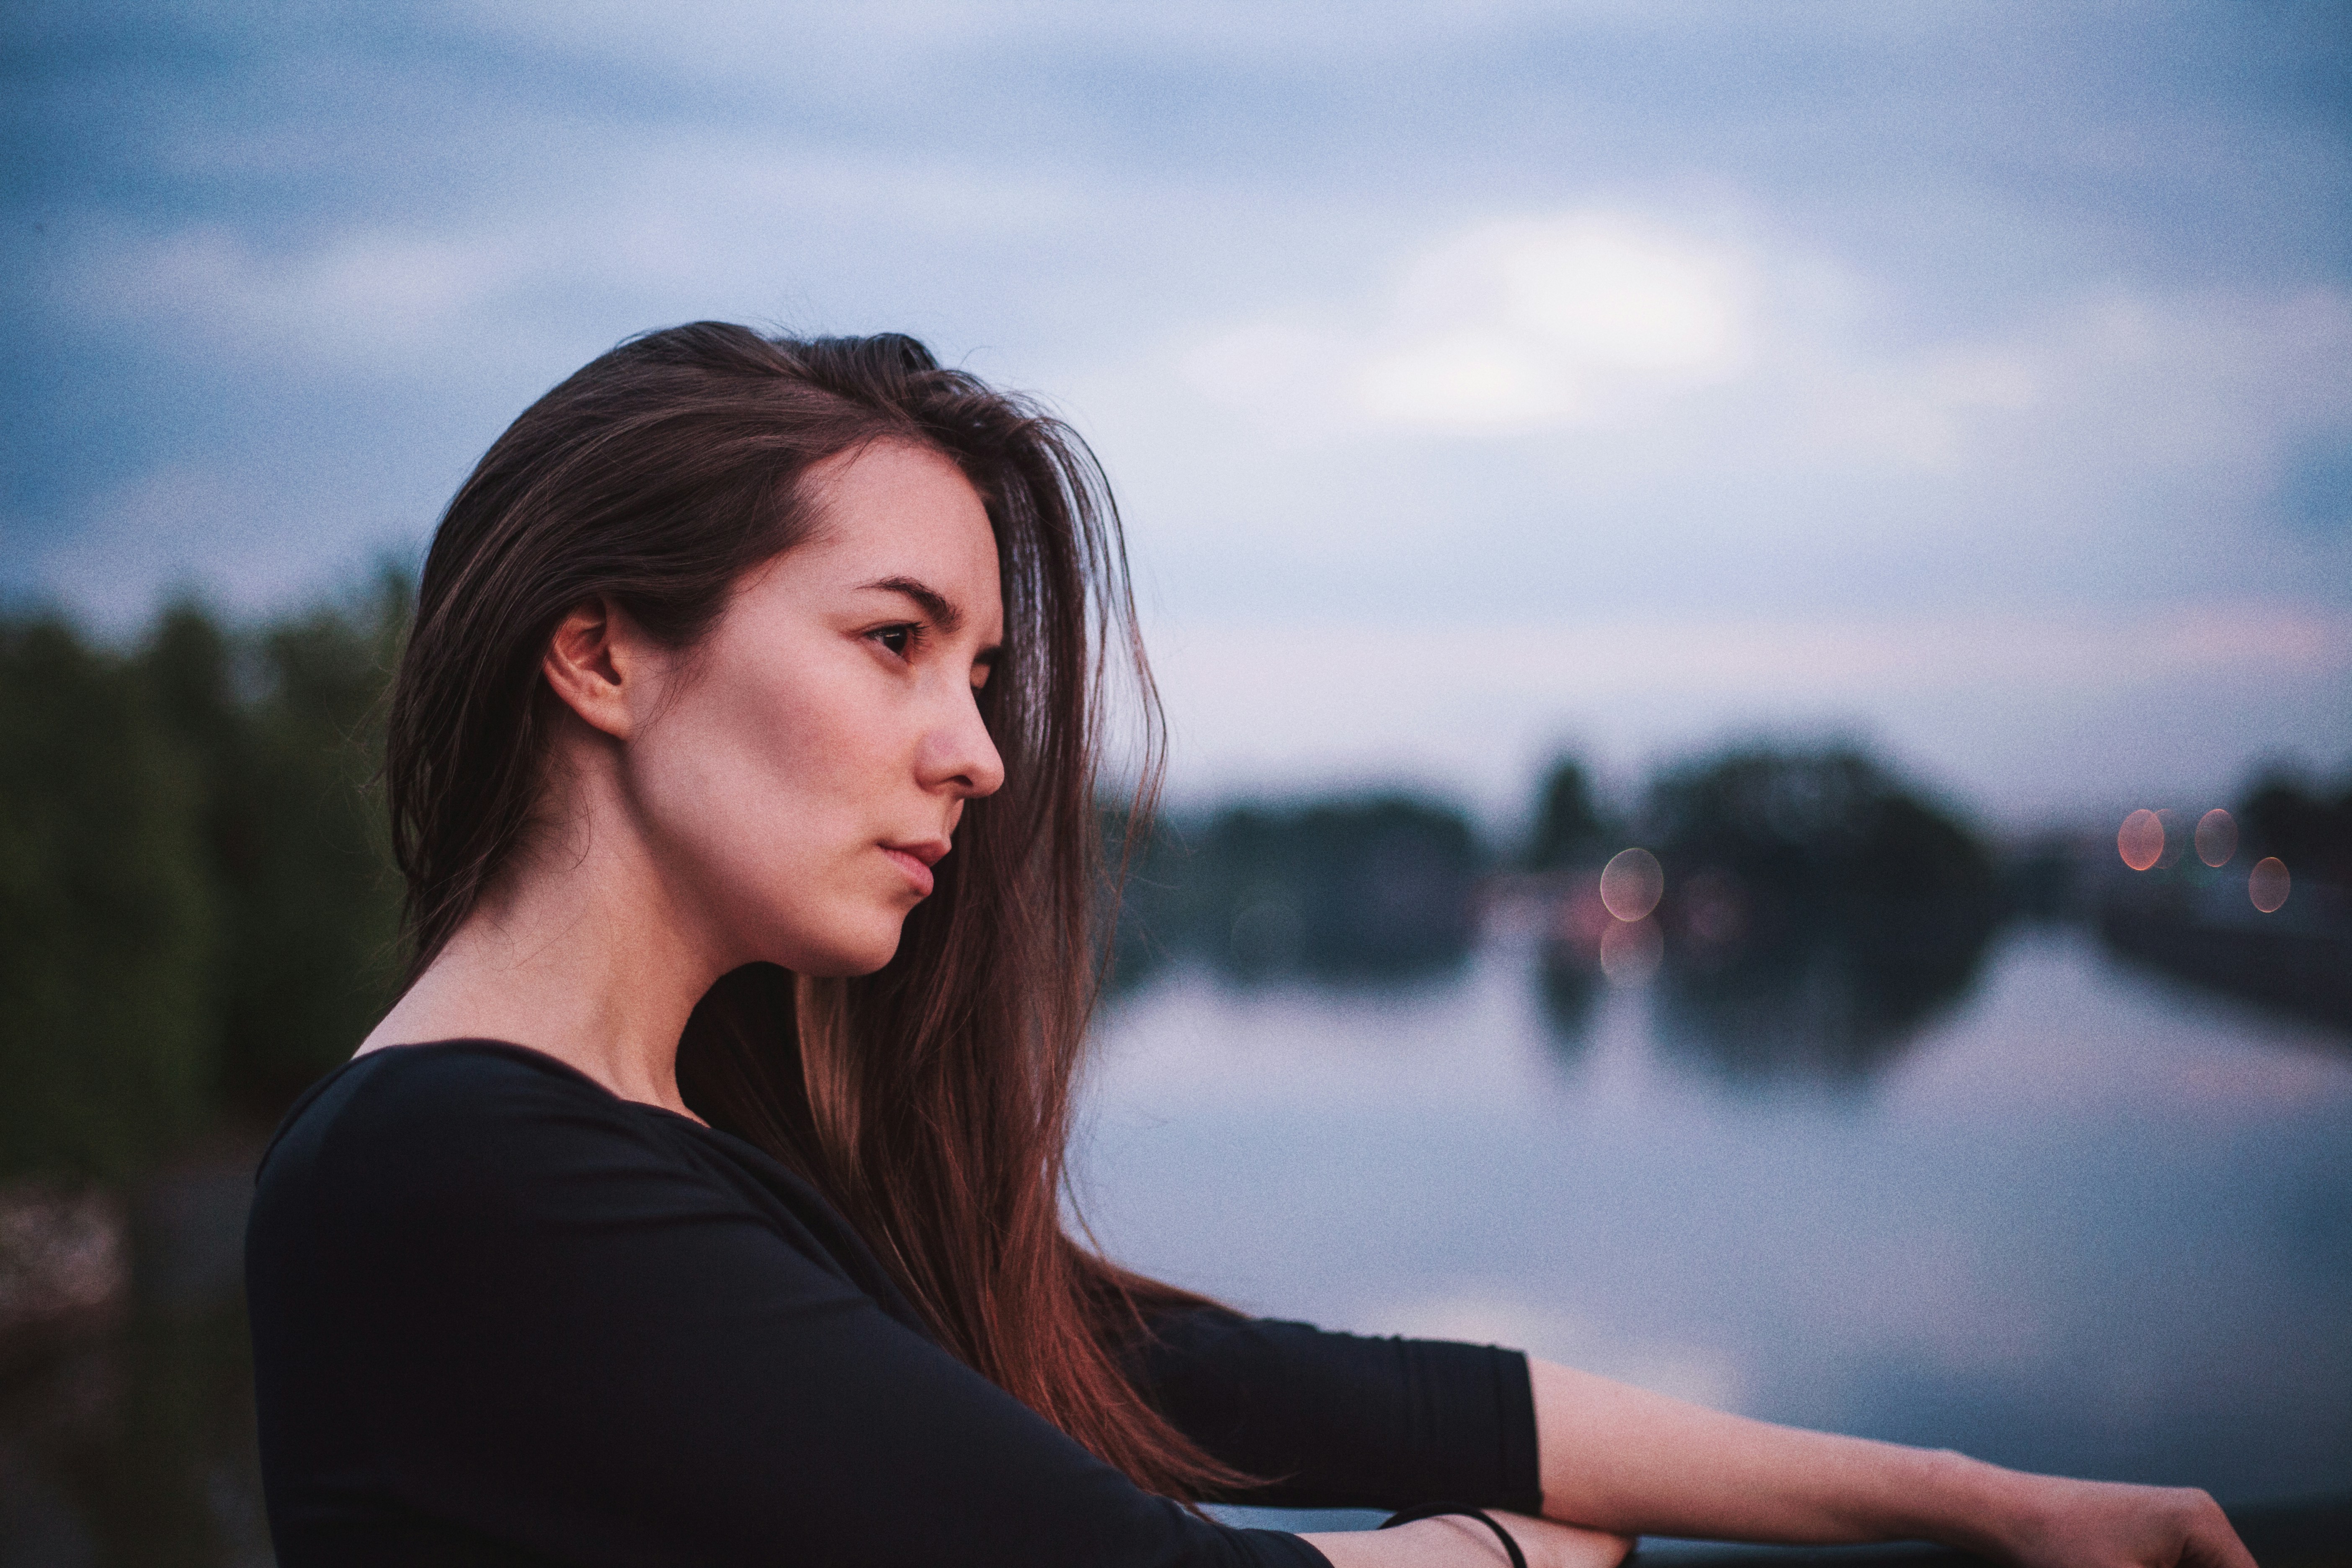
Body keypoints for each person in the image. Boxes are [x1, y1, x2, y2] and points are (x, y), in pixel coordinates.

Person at [244, 323, 2252, 1568]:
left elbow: (1306, 1395)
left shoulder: (697, 1174)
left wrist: (1982, 1500)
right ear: (600, 653)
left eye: (988, 671)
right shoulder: (453, 1178)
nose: (979, 755)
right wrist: (1520, 1561)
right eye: (893, 644)